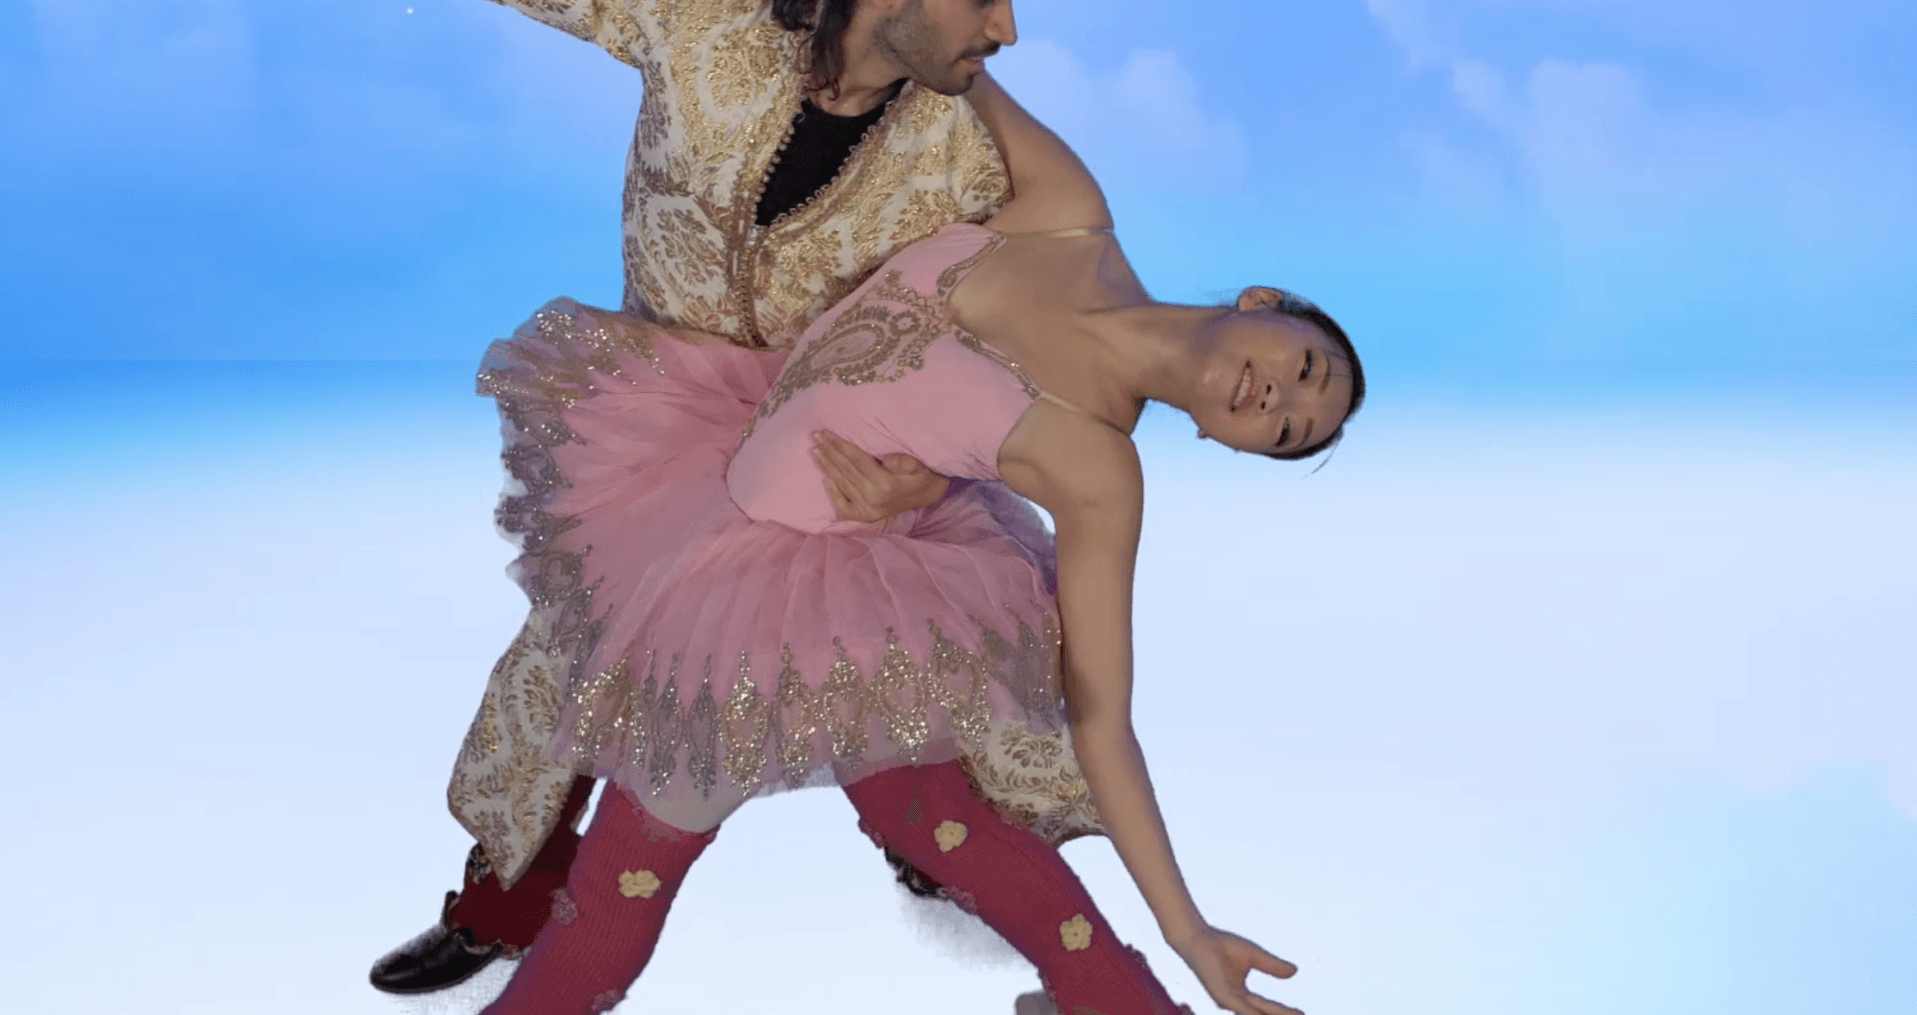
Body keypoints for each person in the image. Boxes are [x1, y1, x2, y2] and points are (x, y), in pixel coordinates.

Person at [165, 0, 1067, 991]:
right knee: (575, 655)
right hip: (654, 432)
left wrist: (931, 474)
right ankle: (508, 902)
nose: (1008, 30)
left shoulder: (968, 151)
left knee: (908, 648)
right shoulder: (702, 15)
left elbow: (1039, 327)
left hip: (834, 453)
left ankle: (951, 849)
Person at [470, 63, 1363, 1015]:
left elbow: (1103, 721)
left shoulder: (1100, 472)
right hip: (710, 461)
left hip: (786, 606)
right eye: (1306, 368)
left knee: (634, 869)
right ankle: (1116, 1002)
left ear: (1225, 441)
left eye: (1287, 433)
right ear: (1264, 300)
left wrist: (1191, 932)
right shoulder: (1069, 212)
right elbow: (947, 58)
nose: (1279, 400)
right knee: (936, 818)